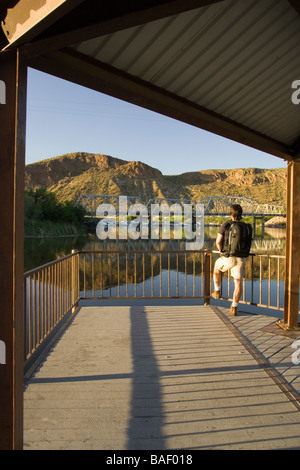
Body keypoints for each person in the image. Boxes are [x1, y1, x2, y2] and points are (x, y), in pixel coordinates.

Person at [211, 204, 247, 315]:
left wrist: (222, 251)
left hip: (229, 257)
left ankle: (217, 291)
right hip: (241, 258)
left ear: (231, 214)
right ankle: (234, 306)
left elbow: (218, 242)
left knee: (216, 268)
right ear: (241, 214)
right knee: (238, 283)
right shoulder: (246, 226)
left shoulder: (226, 224)